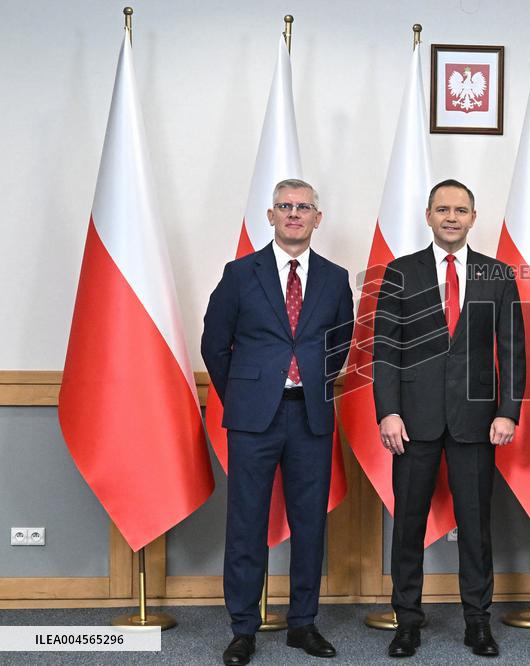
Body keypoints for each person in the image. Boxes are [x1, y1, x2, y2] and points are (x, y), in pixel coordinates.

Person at [202, 179, 354, 666]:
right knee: (247, 523)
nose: (294, 214)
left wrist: (311, 382)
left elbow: (340, 344)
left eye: (303, 207)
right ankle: (243, 629)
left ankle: (302, 624)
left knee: (310, 523)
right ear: (270, 216)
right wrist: (244, 394)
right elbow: (214, 343)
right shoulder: (239, 273)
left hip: (310, 415)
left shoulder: (334, 278)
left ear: (317, 218)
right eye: (285, 206)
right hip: (253, 418)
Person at [373, 179, 526, 658]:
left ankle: (477, 622)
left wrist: (508, 411)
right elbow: (385, 350)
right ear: (428, 216)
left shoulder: (497, 274)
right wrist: (388, 411)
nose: (452, 217)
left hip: (476, 421)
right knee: (408, 525)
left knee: (475, 527)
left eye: (461, 210)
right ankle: (407, 621)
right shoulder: (400, 272)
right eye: (443, 209)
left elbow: (513, 351)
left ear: (473, 218)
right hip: (412, 421)